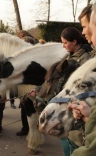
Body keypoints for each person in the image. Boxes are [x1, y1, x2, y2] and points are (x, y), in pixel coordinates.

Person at [66, 3, 96, 155]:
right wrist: (88, 114)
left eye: (86, 26)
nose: (84, 32)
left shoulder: (87, 60)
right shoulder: (69, 57)